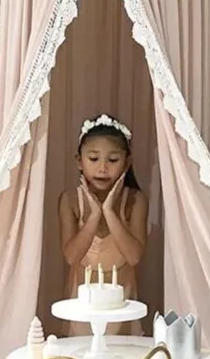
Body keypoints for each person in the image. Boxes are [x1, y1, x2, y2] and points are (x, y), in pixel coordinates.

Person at [58, 114, 149, 337]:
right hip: (82, 304)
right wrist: (94, 215)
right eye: (94, 158)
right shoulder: (70, 200)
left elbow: (134, 257)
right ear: (79, 161)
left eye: (113, 160)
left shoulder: (136, 200)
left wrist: (108, 211)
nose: (102, 168)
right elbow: (71, 257)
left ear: (126, 162)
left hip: (123, 304)